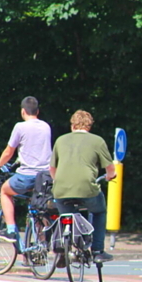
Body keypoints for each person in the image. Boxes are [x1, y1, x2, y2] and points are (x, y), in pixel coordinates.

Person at [50, 110, 117, 263]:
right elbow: (110, 169)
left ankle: (62, 246)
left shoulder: (60, 140)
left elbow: (52, 169)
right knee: (99, 211)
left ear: (72, 125)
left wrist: (57, 181)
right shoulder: (97, 141)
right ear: (89, 126)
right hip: (87, 189)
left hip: (61, 190)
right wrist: (109, 176)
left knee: (66, 215)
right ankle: (97, 250)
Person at [0, 97, 52, 244]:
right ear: (37, 111)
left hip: (27, 176)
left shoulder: (20, 127)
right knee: (37, 206)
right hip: (45, 177)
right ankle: (39, 244)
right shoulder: (46, 126)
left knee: (4, 191)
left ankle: (10, 230)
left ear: (23, 111)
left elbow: (9, 151)